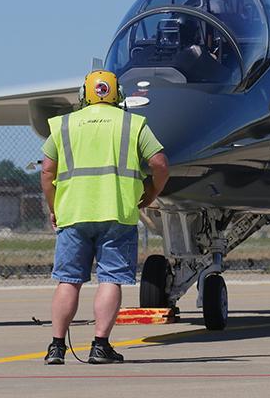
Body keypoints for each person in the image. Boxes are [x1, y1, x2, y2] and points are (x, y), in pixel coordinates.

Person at [40, 70, 169, 365]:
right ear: (118, 95)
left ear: (84, 95)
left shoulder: (63, 125)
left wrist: (54, 206)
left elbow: (47, 171)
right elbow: (160, 163)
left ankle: (56, 347)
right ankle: (100, 346)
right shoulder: (133, 124)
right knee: (110, 279)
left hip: (73, 213)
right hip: (118, 213)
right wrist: (151, 192)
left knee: (67, 281)